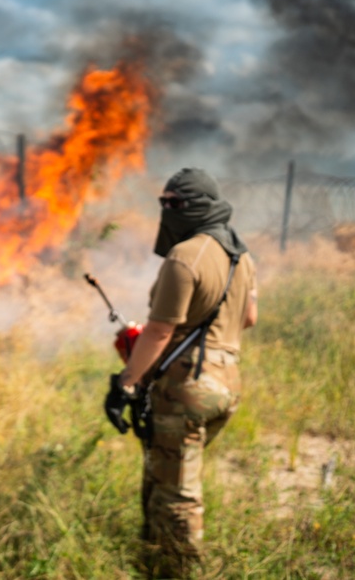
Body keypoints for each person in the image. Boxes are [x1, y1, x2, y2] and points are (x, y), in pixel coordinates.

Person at [105, 167, 257, 576]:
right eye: (163, 202)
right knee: (163, 472)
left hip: (186, 387)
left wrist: (126, 383)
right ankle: (153, 560)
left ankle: (178, 571)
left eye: (175, 203)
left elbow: (159, 331)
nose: (167, 210)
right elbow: (250, 317)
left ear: (199, 206)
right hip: (227, 382)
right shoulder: (239, 254)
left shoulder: (185, 255)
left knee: (175, 494)